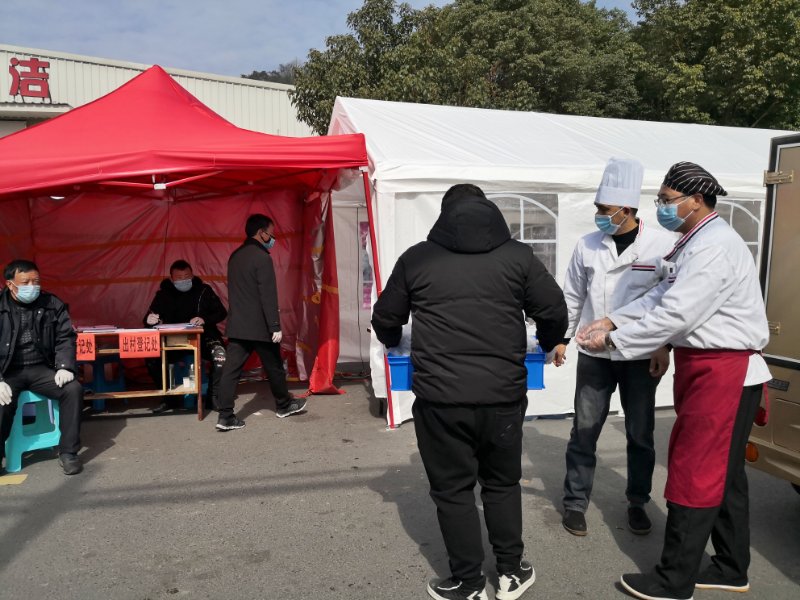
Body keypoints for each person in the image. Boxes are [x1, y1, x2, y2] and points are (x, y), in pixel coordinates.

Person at [577, 162, 771, 600]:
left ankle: (673, 579)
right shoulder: (695, 241)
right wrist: (613, 319)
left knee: (695, 470)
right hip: (708, 368)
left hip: (724, 371)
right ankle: (731, 567)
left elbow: (676, 313)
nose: (661, 207)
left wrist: (614, 341)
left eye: (667, 200)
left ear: (695, 200)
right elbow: (662, 295)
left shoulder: (714, 246)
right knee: (725, 474)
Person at [372, 184, 568, 600]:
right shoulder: (518, 256)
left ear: (444, 214)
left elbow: (386, 317)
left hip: (440, 398)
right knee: (501, 483)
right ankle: (511, 573)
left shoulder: (418, 258)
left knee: (452, 490)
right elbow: (552, 309)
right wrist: (551, 341)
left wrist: (393, 342)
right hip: (503, 395)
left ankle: (469, 582)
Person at [555, 158, 676, 538]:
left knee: (640, 433)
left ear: (627, 209)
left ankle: (638, 502)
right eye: (597, 208)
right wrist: (562, 337)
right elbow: (572, 295)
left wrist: (664, 345)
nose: (599, 216)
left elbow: (672, 300)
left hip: (640, 354)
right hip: (595, 354)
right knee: (584, 429)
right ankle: (575, 502)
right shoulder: (588, 245)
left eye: (604, 209)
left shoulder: (662, 245)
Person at [214, 214, 306, 431]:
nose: (272, 237)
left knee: (231, 371)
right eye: (271, 233)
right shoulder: (262, 258)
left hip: (238, 325)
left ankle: (225, 416)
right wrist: (275, 325)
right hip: (260, 326)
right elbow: (268, 295)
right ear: (261, 233)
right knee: (274, 367)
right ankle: (284, 405)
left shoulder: (235, 256)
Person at [0, 259, 84, 475]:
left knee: (72, 389)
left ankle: (68, 452)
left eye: (36, 281)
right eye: (25, 282)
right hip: (8, 371)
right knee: (2, 401)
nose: (32, 286)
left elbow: (65, 337)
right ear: (10, 284)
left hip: (41, 368)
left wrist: (65, 366)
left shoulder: (51, 304)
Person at [143, 259, 228, 413]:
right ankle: (169, 399)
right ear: (172, 279)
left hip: (204, 337)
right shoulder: (163, 295)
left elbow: (221, 312)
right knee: (152, 359)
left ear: (192, 275)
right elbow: (149, 317)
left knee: (220, 356)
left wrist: (204, 319)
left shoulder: (204, 290)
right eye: (179, 278)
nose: (184, 280)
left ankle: (213, 397)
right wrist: (149, 320)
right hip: (173, 340)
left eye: (187, 276)